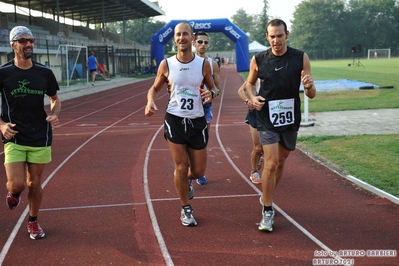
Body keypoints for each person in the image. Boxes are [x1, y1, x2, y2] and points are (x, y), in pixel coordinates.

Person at [244, 19, 316, 232]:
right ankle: (268, 210)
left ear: (287, 34)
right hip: (266, 117)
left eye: (280, 36)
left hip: (290, 117)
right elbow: (249, 83)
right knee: (272, 163)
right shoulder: (258, 59)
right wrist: (252, 97)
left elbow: (311, 93)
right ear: (267, 36)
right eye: (272, 36)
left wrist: (309, 87)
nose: (276, 40)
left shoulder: (300, 58)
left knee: (282, 161)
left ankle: (267, 195)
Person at [145, 22, 218, 227]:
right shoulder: (166, 64)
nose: (181, 38)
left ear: (192, 38)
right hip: (175, 120)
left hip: (197, 121)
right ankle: (186, 208)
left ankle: (185, 180)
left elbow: (215, 90)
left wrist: (210, 94)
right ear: (174, 38)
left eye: (185, 34)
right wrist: (150, 101)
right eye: (178, 34)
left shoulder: (203, 64)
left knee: (198, 172)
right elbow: (155, 88)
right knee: (180, 165)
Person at [0, 26, 61, 239]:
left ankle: (33, 221)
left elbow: (55, 99)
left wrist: (54, 114)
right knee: (17, 184)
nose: (29, 44)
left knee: (35, 183)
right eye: (23, 40)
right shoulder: (3, 73)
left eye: (31, 40)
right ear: (13, 44)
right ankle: (14, 193)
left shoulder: (44, 73)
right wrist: (1, 124)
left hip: (40, 136)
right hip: (14, 135)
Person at [192, 31, 220, 185]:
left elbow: (218, 89)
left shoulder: (212, 63)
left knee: (202, 141)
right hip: (186, 109)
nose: (203, 45)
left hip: (205, 107)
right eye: (200, 42)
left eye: (205, 42)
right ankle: (190, 171)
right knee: (186, 141)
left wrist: (212, 93)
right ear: (193, 43)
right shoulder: (185, 61)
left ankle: (200, 171)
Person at [237, 79, 263, 184]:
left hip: (269, 113)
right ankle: (254, 172)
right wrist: (247, 100)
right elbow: (240, 91)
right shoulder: (255, 77)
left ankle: (263, 156)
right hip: (255, 114)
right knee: (258, 148)